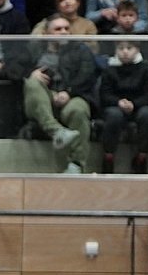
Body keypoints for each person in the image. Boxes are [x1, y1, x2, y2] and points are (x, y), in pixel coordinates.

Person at [24, 13, 96, 175]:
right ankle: (56, 131)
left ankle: (76, 165)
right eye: (58, 29)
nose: (64, 32)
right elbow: (14, 69)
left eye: (66, 28)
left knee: (78, 110)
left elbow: (87, 75)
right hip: (43, 97)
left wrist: (69, 92)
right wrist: (31, 73)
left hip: (73, 95)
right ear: (46, 33)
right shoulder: (34, 49)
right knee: (32, 82)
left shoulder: (80, 49)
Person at [98, 38, 148, 175]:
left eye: (129, 48)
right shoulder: (109, 69)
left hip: (139, 106)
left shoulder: (145, 69)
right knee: (114, 116)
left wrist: (134, 104)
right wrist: (118, 102)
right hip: (115, 106)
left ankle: (141, 157)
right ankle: (108, 157)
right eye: (121, 48)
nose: (125, 52)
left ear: (137, 50)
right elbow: (104, 94)